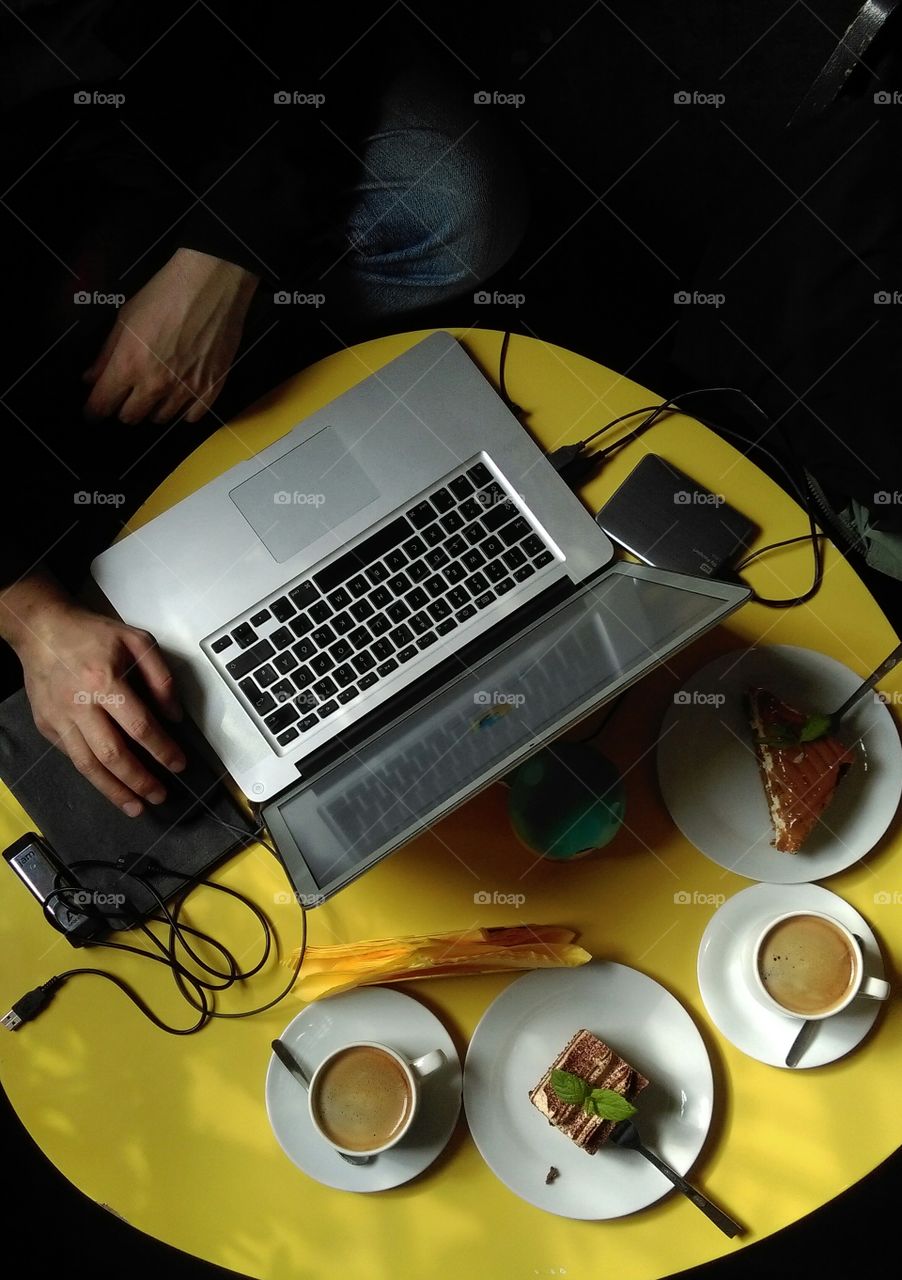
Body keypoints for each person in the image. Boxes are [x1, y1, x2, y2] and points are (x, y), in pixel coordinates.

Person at [0, 3, 527, 817]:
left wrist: (228, 249)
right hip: (45, 248)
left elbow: (298, 31)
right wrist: (29, 616)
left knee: (455, 208)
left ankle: (276, 346)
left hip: (212, 88)